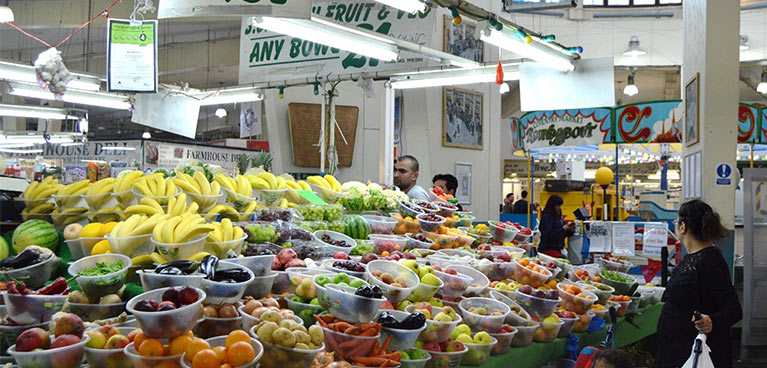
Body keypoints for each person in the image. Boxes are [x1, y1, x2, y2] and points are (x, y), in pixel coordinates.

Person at [656, 199, 742, 368]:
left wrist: (711, 321)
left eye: (676, 222)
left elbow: (734, 310)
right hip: (676, 350)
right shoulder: (692, 257)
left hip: (693, 355)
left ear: (683, 227)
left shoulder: (710, 261)